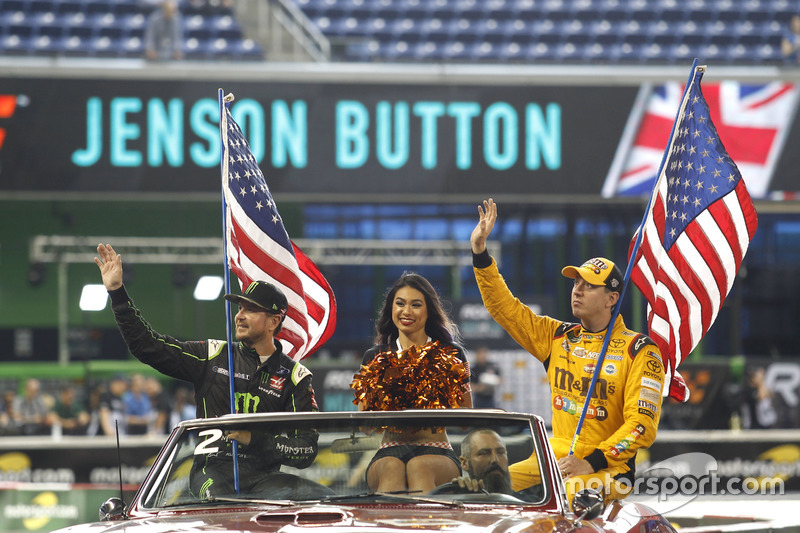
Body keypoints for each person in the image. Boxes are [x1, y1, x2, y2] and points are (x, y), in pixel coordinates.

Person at [470, 199, 665, 504]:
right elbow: (504, 308)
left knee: (565, 497)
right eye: (576, 281)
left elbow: (641, 426)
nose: (577, 289)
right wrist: (481, 255)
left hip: (609, 470)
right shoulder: (558, 337)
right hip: (554, 461)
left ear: (612, 297)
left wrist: (592, 463)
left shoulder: (639, 351)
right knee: (479, 488)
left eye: (589, 285)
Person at [94, 243, 319, 497]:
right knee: (221, 505)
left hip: (267, 480)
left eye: (251, 309)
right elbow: (148, 347)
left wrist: (253, 439)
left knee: (325, 500)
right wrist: (117, 293)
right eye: (240, 308)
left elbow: (306, 451)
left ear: (274, 321)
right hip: (212, 473)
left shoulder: (296, 377)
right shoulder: (213, 354)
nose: (240, 316)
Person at [357, 272, 473, 493]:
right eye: (400, 303)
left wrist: (432, 395)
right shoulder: (374, 357)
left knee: (419, 467)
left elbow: (466, 418)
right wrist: (384, 396)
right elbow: (364, 428)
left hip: (436, 448)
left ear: (428, 311)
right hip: (390, 449)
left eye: (416, 305)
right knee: (392, 468)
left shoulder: (451, 353)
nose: (406, 311)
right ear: (391, 308)